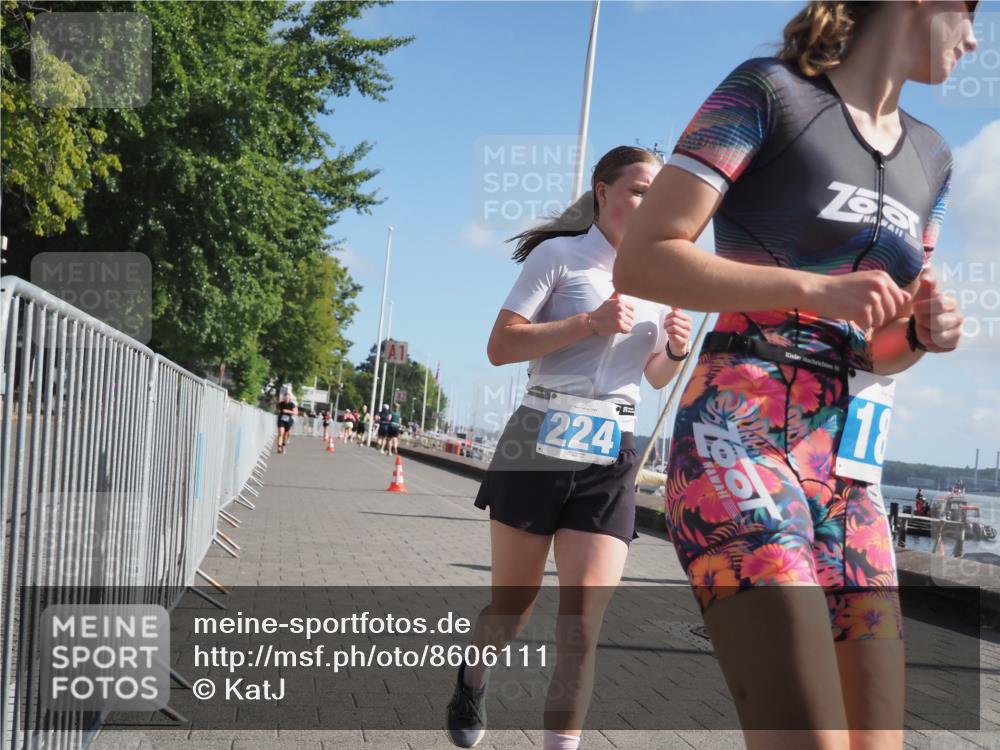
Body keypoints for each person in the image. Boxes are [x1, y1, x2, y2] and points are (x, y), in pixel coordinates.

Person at [613, 3, 975, 748]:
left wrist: (922, 333)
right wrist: (809, 287)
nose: (975, 38)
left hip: (849, 472)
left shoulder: (935, 157)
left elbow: (880, 346)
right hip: (736, 440)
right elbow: (645, 257)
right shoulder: (768, 92)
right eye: (971, 12)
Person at [445, 146, 693, 750]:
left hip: (612, 450)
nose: (646, 203)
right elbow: (500, 346)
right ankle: (472, 681)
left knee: (582, 628)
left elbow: (654, 375)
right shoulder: (561, 256)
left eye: (655, 195)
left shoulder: (666, 278)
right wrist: (588, 323)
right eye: (637, 190)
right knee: (514, 607)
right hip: (537, 438)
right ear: (603, 192)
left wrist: (677, 351)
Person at [275, 389, 298, 455]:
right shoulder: (280, 404)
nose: (286, 398)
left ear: (290, 398)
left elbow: (296, 413)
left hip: (288, 421)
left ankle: (283, 446)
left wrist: (288, 411)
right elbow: (277, 411)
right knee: (280, 433)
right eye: (285, 397)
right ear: (284, 397)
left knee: (285, 435)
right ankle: (279, 447)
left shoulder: (292, 404)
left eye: (288, 397)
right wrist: (278, 411)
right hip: (281, 420)